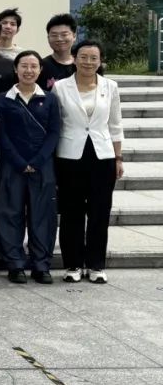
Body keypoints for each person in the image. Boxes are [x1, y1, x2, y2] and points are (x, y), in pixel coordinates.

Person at [53, 40, 123, 284]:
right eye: (83, 57)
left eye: (94, 58)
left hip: (102, 156)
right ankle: (72, 264)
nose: (88, 62)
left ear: (100, 60)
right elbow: (56, 122)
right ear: (74, 58)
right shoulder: (60, 87)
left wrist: (119, 157)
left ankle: (96, 265)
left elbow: (115, 124)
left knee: (99, 212)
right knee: (71, 212)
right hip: (69, 156)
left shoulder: (110, 86)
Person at [0, 51, 60, 285]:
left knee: (43, 215)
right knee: (10, 213)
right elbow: (1, 134)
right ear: (16, 69)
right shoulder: (3, 98)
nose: (29, 70)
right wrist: (20, 162)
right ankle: (15, 264)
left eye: (34, 66)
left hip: (43, 166)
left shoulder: (50, 99)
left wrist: (38, 160)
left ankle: (41, 265)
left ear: (40, 70)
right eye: (24, 66)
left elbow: (54, 132)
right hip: (12, 165)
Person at [40, 13, 77, 91]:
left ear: (74, 36)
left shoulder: (83, 65)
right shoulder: (41, 66)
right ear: (48, 38)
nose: (59, 39)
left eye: (64, 35)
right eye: (54, 35)